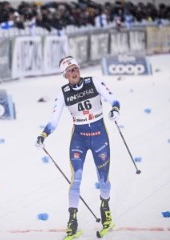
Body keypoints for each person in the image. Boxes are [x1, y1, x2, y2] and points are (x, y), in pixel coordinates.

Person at [35, 56, 120, 237]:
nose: (74, 73)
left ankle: (106, 213)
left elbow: (113, 99)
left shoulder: (94, 82)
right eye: (70, 71)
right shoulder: (63, 93)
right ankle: (72, 222)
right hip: (79, 139)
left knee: (103, 179)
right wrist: (44, 134)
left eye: (75, 69)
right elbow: (54, 120)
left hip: (99, 136)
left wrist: (115, 110)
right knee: (76, 179)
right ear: (65, 75)